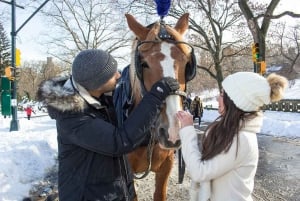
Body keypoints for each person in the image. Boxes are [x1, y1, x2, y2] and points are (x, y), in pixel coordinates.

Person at [36, 49, 179, 201]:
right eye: (112, 74)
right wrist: (156, 95)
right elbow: (120, 141)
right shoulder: (73, 117)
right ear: (97, 83)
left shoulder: (97, 99)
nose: (118, 75)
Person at [176, 72, 288, 201]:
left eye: (222, 94)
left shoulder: (241, 139)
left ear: (235, 101)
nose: (218, 98)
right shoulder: (230, 132)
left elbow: (199, 172)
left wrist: (187, 130)